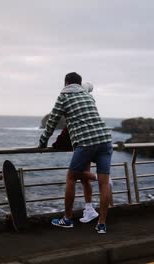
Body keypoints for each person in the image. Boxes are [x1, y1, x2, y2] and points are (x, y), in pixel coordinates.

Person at [39, 72, 112, 233]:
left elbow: (51, 123)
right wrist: (86, 85)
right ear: (79, 84)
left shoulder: (63, 97)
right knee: (104, 183)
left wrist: (42, 142)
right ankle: (101, 224)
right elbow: (89, 85)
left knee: (71, 177)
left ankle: (67, 218)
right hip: (105, 138)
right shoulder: (85, 92)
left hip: (86, 142)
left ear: (65, 83)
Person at [51, 82, 99, 224]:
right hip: (93, 141)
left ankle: (67, 218)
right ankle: (89, 209)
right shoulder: (89, 101)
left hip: (83, 144)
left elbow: (67, 131)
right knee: (84, 178)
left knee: (71, 177)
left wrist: (55, 145)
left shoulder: (73, 102)